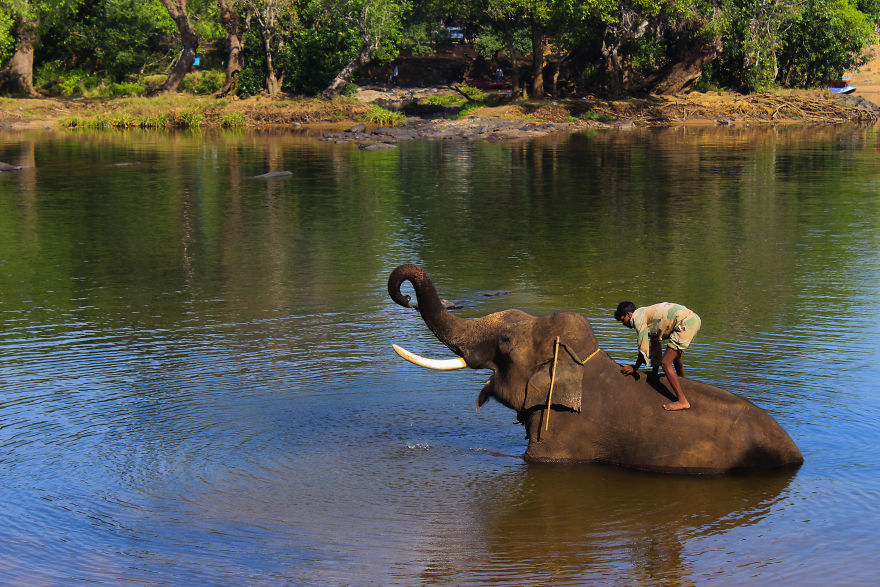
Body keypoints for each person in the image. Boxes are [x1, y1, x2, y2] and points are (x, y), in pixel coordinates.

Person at [614, 301, 701, 411]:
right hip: (692, 320)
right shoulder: (645, 314)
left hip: (685, 323)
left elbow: (643, 346)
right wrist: (654, 371)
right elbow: (655, 341)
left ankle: (682, 401)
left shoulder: (637, 318)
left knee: (666, 362)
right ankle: (682, 381)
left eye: (623, 320)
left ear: (629, 315)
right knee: (675, 356)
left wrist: (634, 367)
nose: (624, 324)